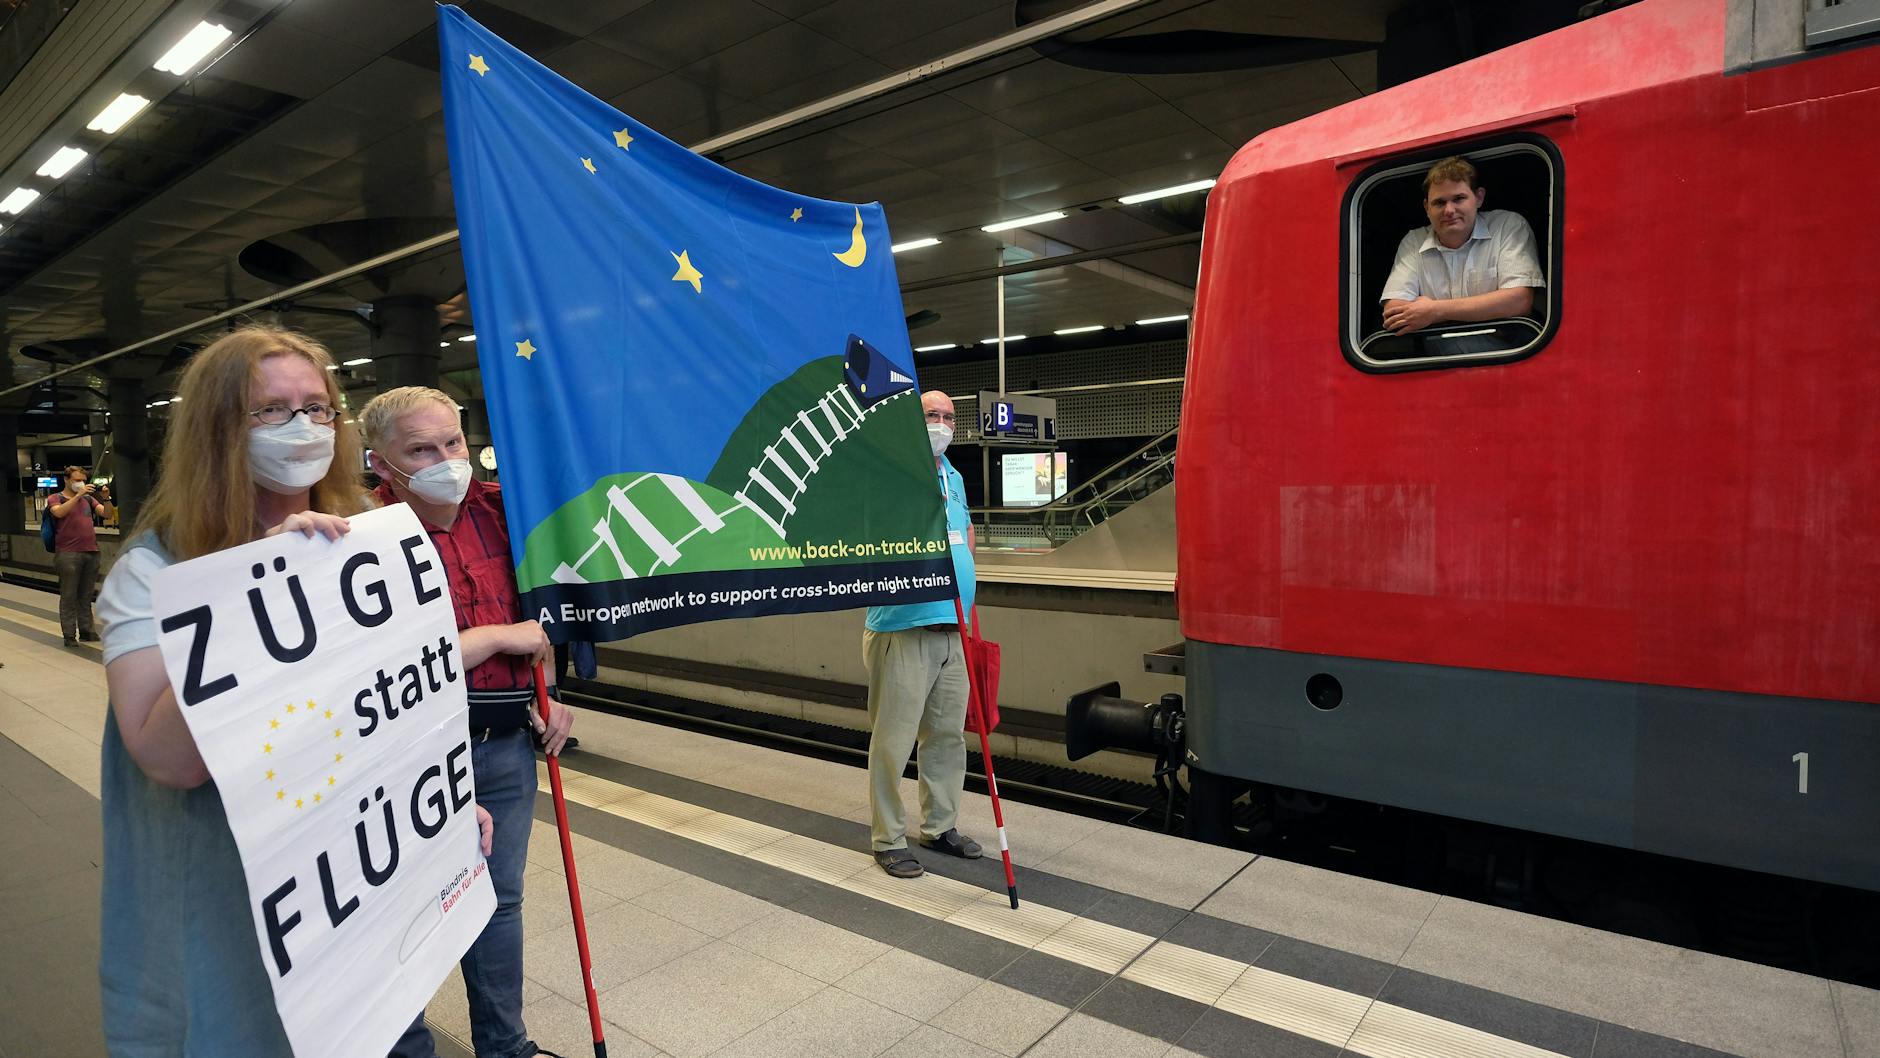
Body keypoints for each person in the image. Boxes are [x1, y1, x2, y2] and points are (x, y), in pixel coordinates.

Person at [94, 325, 495, 1056]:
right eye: (270, 411)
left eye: (318, 407)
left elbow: (403, 698)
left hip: (353, 891)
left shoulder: (369, 537)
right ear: (218, 430)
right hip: (234, 901)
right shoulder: (153, 570)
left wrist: (447, 797)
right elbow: (166, 758)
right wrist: (267, 594)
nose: (302, 426)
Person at [361, 386, 574, 1058]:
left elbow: (537, 624)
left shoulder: (505, 515)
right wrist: (494, 638)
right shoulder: (361, 535)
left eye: (451, 442)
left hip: (505, 743)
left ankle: (506, 1048)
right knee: (401, 910)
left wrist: (551, 693)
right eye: (419, 449)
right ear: (381, 462)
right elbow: (377, 663)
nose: (444, 459)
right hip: (408, 753)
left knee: (498, 902)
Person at [862, 390, 983, 878]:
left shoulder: (952, 476)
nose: (941, 423)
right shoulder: (890, 471)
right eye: (931, 415)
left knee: (947, 737)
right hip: (903, 628)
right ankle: (887, 837)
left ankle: (939, 827)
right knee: (894, 741)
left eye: (949, 417)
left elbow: (967, 532)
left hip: (953, 628)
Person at [1379, 155, 1546, 334]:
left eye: (1458, 198)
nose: (1449, 210)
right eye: (1439, 202)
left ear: (1479, 198)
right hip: (1436, 356)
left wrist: (1433, 311)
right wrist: (1489, 307)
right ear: (1427, 208)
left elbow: (1519, 302)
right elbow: (1394, 312)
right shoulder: (1413, 241)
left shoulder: (1508, 225)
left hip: (1509, 352)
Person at [46, 464, 112, 645]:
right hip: (68, 553)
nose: (81, 483)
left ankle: (87, 631)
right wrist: (78, 495)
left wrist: (106, 499)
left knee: (86, 595)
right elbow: (59, 513)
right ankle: (69, 635)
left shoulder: (89, 500)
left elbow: (107, 515)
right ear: (67, 480)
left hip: (91, 551)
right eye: (76, 480)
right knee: (68, 594)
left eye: (83, 480)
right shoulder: (55, 498)